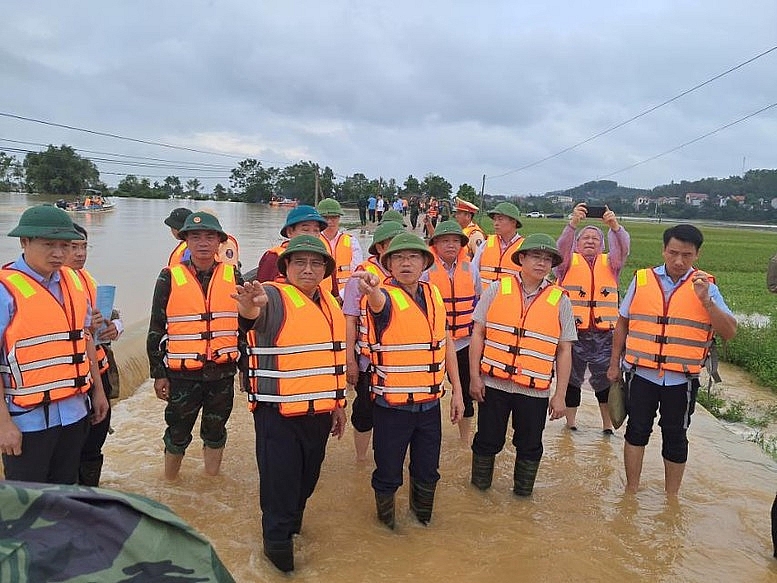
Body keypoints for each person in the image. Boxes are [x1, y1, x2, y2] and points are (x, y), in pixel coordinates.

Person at [233, 235, 347, 573]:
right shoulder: (271, 296)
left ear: (326, 269)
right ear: (287, 267)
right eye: (300, 263)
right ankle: (279, 559)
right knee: (279, 491)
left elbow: (328, 361)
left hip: (320, 413)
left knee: (305, 484)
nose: (308, 270)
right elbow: (251, 314)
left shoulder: (329, 303)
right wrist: (248, 305)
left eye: (316, 263)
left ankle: (292, 532)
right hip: (277, 416)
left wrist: (338, 405)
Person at [606, 224, 737, 496]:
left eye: (686, 255)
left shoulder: (707, 287)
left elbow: (729, 332)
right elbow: (622, 324)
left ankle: (671, 498)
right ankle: (631, 491)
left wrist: (707, 302)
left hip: (681, 380)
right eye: (673, 253)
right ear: (664, 250)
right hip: (641, 374)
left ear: (697, 255)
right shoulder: (642, 279)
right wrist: (613, 363)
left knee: (675, 437)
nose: (679, 261)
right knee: (636, 431)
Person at [354, 232, 465, 529]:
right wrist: (371, 290)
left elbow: (446, 342)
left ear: (424, 263)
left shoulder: (433, 294)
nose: (406, 263)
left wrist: (457, 392)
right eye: (399, 258)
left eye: (413, 257)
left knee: (428, 471)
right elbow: (377, 302)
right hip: (392, 407)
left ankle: (422, 521)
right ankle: (387, 530)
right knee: (388, 473)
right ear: (388, 264)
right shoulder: (384, 297)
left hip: (429, 407)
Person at [0, 205, 109, 484]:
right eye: (49, 244)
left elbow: (85, 340)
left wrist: (98, 391)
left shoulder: (73, 282)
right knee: (28, 504)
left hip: (74, 413)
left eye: (64, 245)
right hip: (27, 421)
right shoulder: (5, 290)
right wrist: (3, 423)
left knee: (66, 495)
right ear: (24, 242)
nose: (59, 253)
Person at [469, 233, 576, 496]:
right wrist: (474, 377)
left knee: (530, 445)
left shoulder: (560, 299)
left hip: (534, 390)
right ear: (522, 258)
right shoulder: (496, 288)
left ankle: (522, 496)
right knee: (486, 441)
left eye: (547, 259)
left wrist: (560, 395)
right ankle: (478, 494)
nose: (541, 263)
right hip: (493, 384)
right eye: (535, 257)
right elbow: (478, 334)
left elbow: (564, 350)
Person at [147, 211, 243, 481]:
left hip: (221, 373)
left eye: (209, 237)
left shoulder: (233, 276)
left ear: (219, 242)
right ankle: (170, 485)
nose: (203, 242)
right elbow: (156, 327)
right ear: (185, 240)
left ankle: (211, 483)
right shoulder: (168, 277)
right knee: (177, 433)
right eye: (196, 236)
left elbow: (243, 327)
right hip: (182, 376)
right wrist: (159, 373)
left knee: (215, 431)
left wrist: (246, 368)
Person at [555, 203, 630, 433]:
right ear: (576, 244)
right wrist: (572, 224)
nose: (589, 241)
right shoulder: (566, 264)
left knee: (606, 379)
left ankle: (607, 426)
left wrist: (614, 226)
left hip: (604, 334)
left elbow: (623, 249)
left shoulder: (612, 264)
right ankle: (571, 424)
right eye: (584, 238)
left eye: (595, 238)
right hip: (572, 332)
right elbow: (561, 248)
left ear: (602, 245)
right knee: (571, 378)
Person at [343, 220, 405, 462]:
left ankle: (389, 455)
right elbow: (350, 320)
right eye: (392, 247)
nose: (399, 256)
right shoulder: (358, 279)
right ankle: (361, 459)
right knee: (364, 410)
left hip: (398, 361)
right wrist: (350, 361)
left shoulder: (408, 276)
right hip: (368, 360)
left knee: (395, 410)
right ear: (380, 248)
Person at [67, 223, 124, 486]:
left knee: (93, 446)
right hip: (70, 383)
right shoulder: (52, 287)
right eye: (72, 247)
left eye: (83, 247)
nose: (79, 253)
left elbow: (112, 316)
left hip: (98, 375)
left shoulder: (87, 280)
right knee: (70, 453)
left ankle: (90, 494)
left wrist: (116, 327)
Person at [427, 220, 479, 443]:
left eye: (456, 241)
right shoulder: (425, 268)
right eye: (445, 241)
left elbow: (478, 300)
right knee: (430, 392)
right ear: (435, 243)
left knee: (466, 392)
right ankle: (429, 434)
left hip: (464, 342)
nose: (451, 245)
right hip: (434, 342)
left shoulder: (470, 267)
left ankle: (464, 441)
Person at [254, 205, 327, 282]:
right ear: (290, 232)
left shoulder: (324, 258)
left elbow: (334, 292)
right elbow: (262, 288)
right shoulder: (273, 257)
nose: (312, 235)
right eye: (305, 230)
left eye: (316, 230)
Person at [471, 201, 524, 293]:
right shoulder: (486, 244)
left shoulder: (523, 248)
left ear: (513, 222)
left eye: (500, 219)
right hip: (484, 298)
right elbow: (473, 271)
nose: (496, 223)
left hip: (509, 299)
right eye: (495, 219)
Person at [317, 198, 364, 299]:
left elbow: (357, 274)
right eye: (325, 217)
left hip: (346, 296)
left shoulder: (352, 241)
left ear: (339, 218)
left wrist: (342, 296)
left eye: (333, 217)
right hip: (320, 295)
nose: (329, 221)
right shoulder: (314, 241)